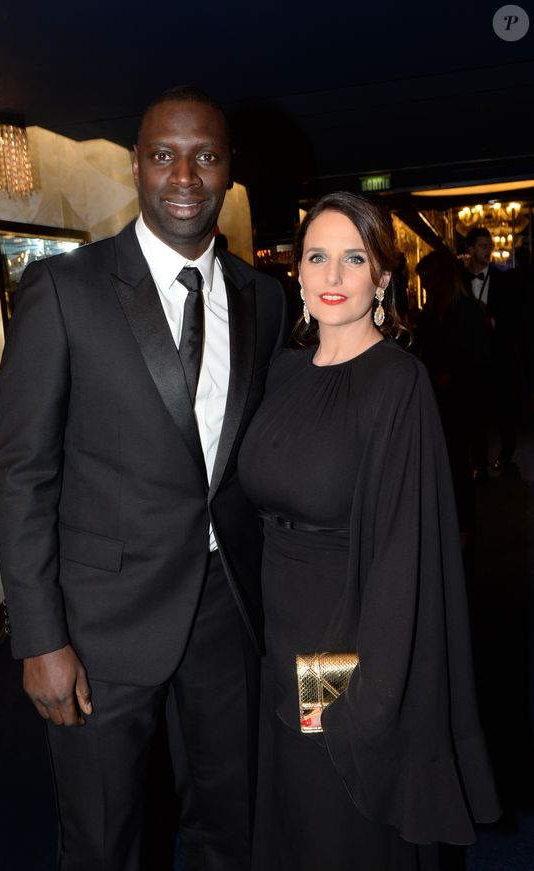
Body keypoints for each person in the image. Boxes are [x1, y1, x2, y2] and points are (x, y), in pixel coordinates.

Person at [0, 85, 287, 871]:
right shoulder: (63, 291)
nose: (183, 175)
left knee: (237, 824)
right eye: (163, 155)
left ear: (228, 171)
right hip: (99, 623)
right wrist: (40, 636)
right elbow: (23, 472)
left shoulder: (267, 299)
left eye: (205, 156)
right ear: (135, 166)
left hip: (228, 609)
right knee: (104, 838)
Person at [237, 192, 500, 870]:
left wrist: (360, 697)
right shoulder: (283, 371)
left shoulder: (396, 383)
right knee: (291, 811)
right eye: (317, 257)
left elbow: (401, 559)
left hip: (341, 639)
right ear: (295, 273)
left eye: (353, 259)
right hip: (278, 629)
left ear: (383, 277)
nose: (331, 276)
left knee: (335, 819)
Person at [415, 249, 490, 544]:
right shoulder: (432, 310)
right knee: (440, 461)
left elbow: (480, 356)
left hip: (460, 399)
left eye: (430, 281)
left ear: (444, 278)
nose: (426, 288)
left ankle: (463, 524)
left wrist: (453, 375)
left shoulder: (465, 309)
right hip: (436, 397)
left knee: (457, 462)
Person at [464, 226, 523, 477]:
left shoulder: (504, 279)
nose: (489, 250)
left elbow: (514, 318)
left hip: (499, 355)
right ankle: (479, 462)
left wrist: (494, 322)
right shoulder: (459, 280)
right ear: (469, 249)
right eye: (483, 246)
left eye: (490, 245)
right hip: (472, 357)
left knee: (505, 408)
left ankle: (506, 456)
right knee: (476, 411)